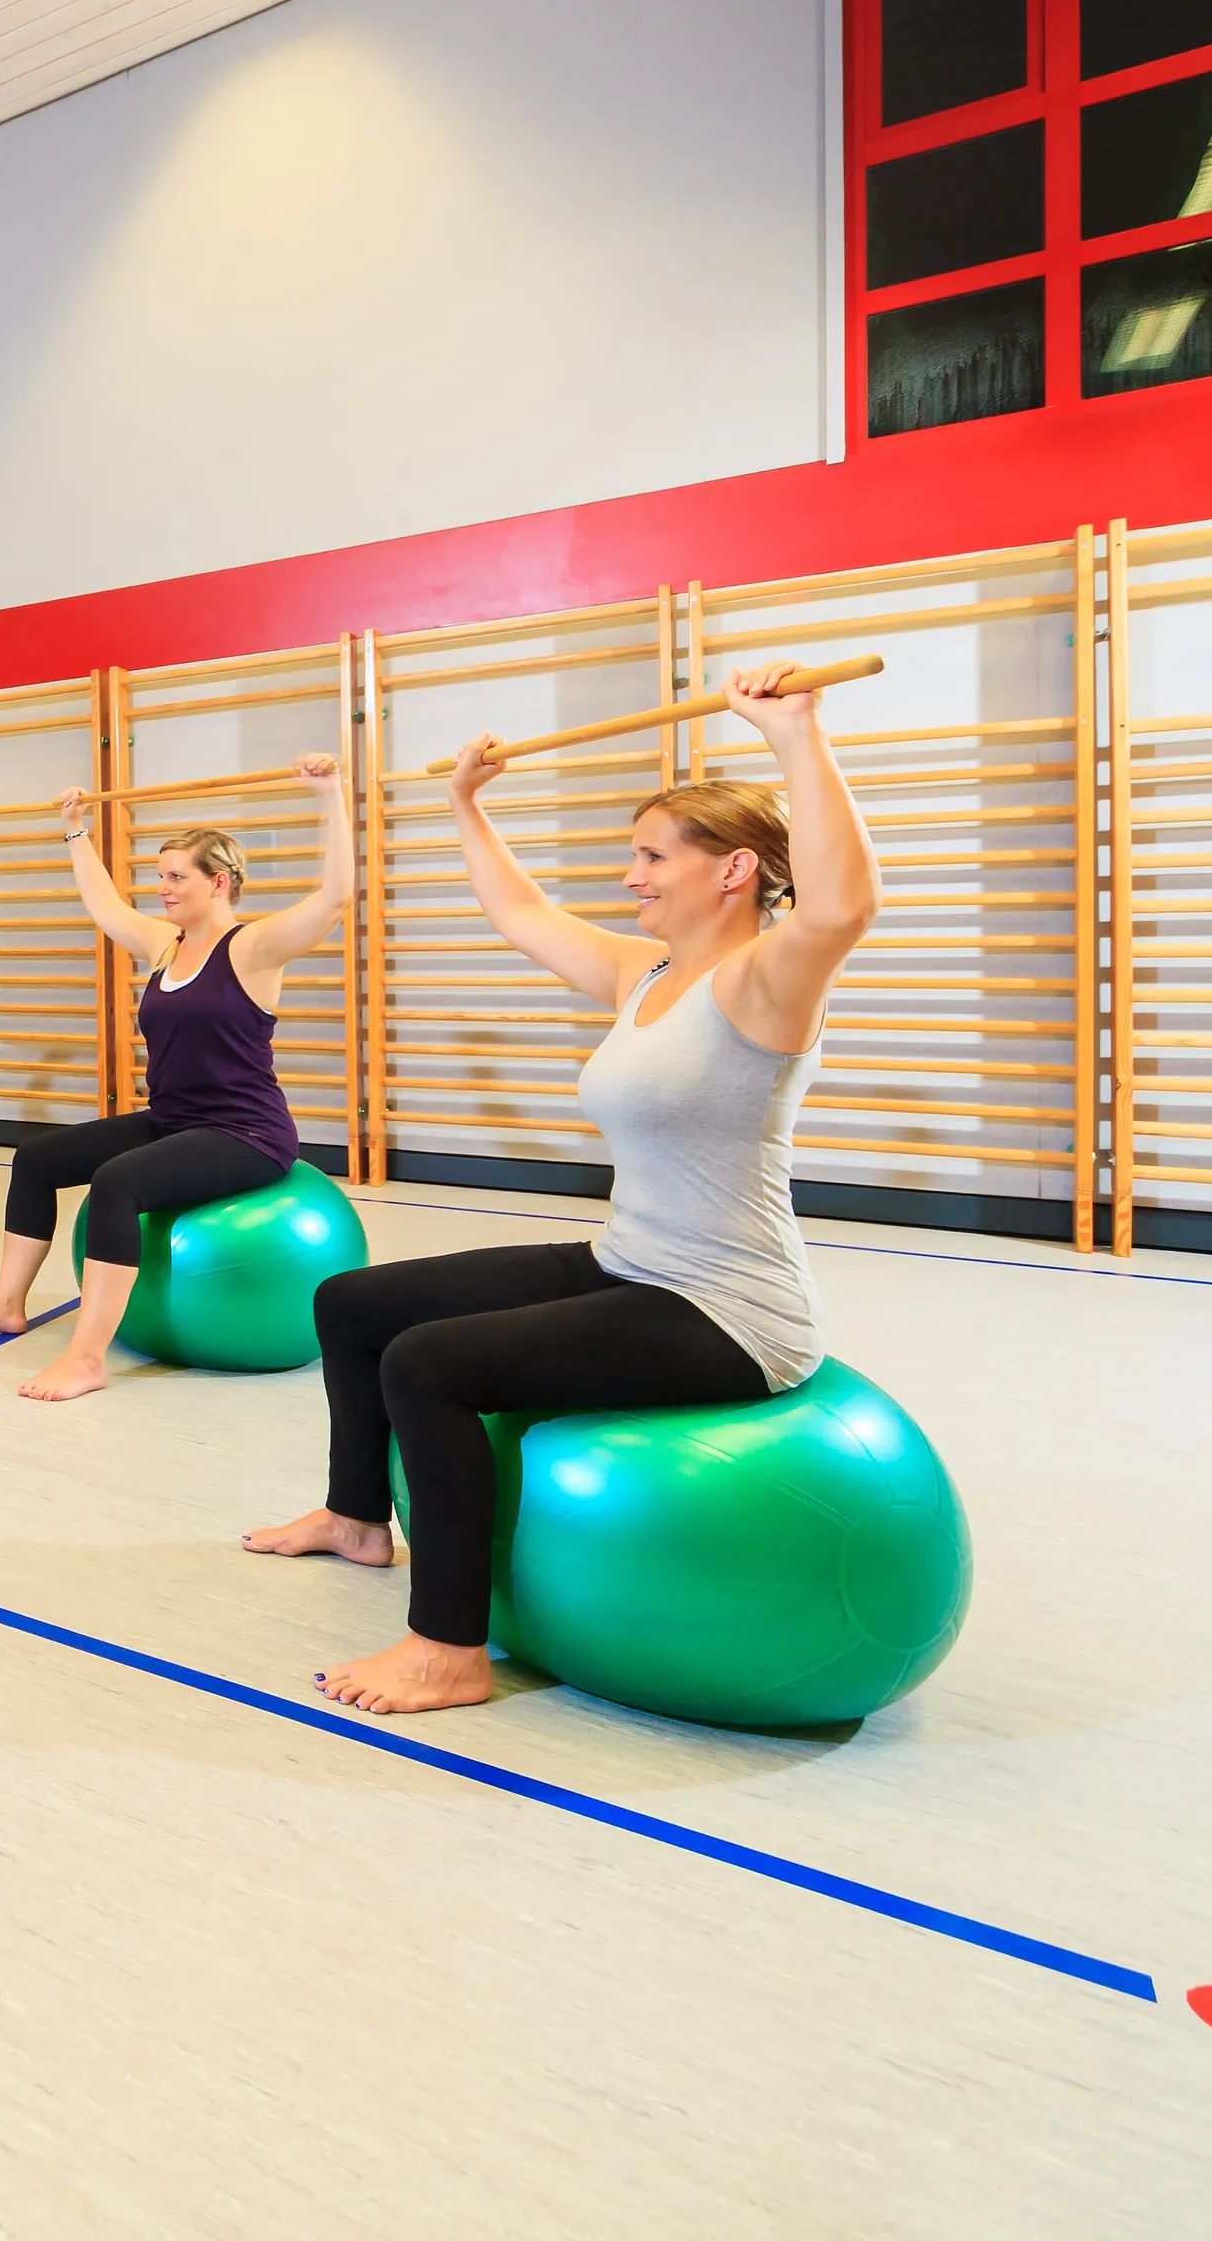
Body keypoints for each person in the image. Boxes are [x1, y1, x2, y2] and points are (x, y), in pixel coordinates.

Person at [246, 662, 878, 1714]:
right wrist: (465, 801)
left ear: (733, 871)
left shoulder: (765, 982)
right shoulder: (645, 974)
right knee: (351, 1304)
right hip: (630, 1261)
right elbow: (521, 911)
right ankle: (356, 1518)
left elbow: (843, 907)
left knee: (429, 1366)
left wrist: (795, 735)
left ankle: (448, 1649)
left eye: (652, 856)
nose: (631, 877)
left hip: (726, 1307)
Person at [0, 757, 352, 1397]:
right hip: (173, 1120)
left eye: (176, 877)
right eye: (160, 876)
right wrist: (75, 827)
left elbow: (334, 899)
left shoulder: (253, 947)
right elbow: (104, 905)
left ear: (219, 883)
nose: (162, 888)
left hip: (245, 1134)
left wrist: (331, 793)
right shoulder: (165, 945)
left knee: (117, 1182)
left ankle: (87, 1358)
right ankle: (6, 1302)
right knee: (37, 1159)